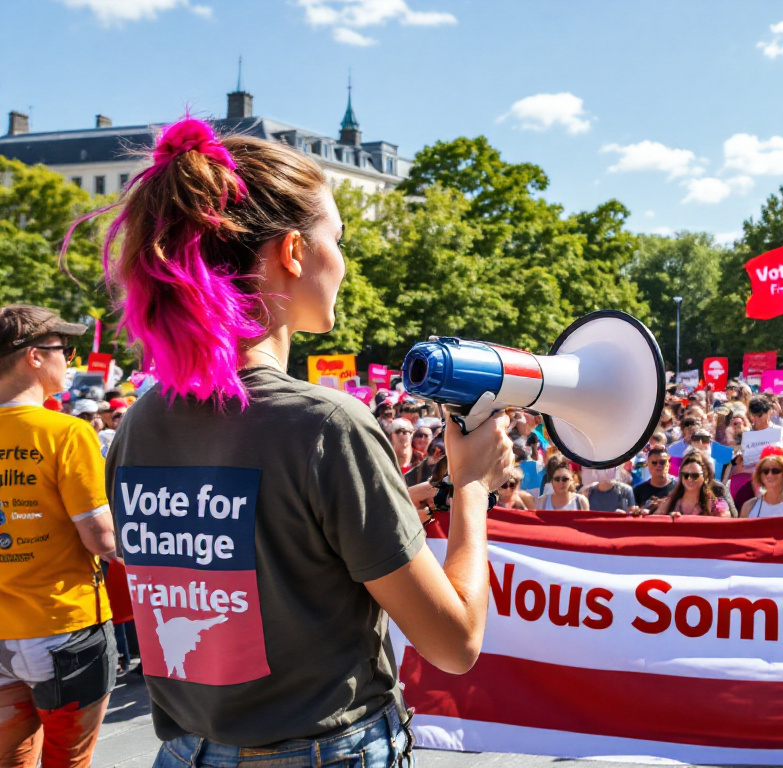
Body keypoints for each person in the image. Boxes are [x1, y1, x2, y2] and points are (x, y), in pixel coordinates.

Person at [95, 121, 514, 765]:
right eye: (337, 239)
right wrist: (476, 489)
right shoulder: (327, 424)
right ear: (293, 251)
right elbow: (455, 642)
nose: (343, 262)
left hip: (184, 750)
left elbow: (250, 552)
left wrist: (394, 502)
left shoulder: (142, 419)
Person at [0, 306, 119, 768]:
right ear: (33, 357)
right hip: (62, 629)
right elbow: (101, 538)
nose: (70, 360)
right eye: (63, 350)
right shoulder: (67, 432)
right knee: (67, 761)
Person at [647, 452, 732, 517]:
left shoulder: (717, 508)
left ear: (705, 477)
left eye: (695, 476)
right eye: (686, 475)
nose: (690, 479)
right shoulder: (669, 504)